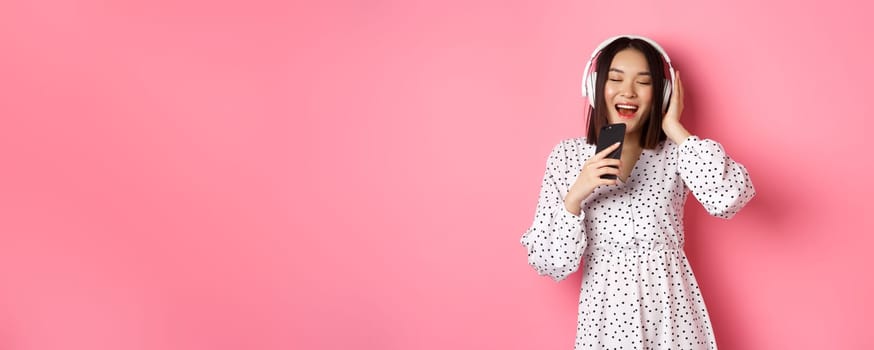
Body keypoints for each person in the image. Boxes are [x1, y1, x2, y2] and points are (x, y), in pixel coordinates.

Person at [520, 35, 755, 350]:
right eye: (615, 79)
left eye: (643, 82)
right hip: (605, 319)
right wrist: (576, 194)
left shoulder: (676, 154)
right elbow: (550, 262)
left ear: (663, 93)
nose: (627, 91)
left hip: (673, 315)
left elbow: (729, 198)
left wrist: (676, 130)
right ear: (595, 87)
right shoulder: (567, 157)